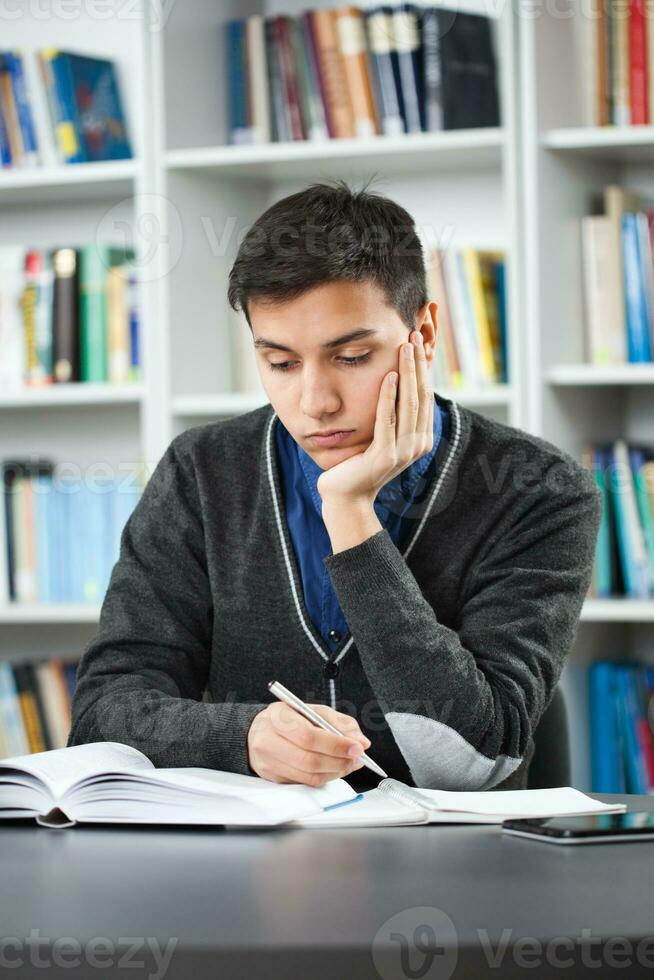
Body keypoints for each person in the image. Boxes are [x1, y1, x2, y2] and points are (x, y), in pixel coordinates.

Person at [67, 180, 601, 793]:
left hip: (461, 870)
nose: (315, 403)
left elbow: (469, 763)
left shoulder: (540, 490)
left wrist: (350, 512)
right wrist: (243, 739)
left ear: (423, 336)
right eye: (282, 364)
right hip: (256, 868)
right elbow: (103, 715)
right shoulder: (202, 471)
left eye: (351, 358)